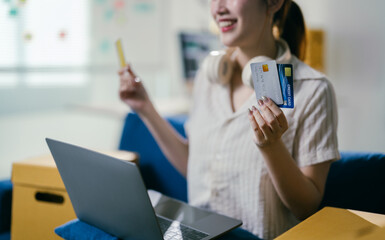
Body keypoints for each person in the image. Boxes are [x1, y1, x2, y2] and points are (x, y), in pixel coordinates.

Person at [118, 0, 339, 239]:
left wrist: (271, 146)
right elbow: (194, 166)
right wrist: (145, 108)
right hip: (194, 233)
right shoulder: (207, 77)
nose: (218, 8)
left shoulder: (312, 89)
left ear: (274, 3)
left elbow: (306, 207)